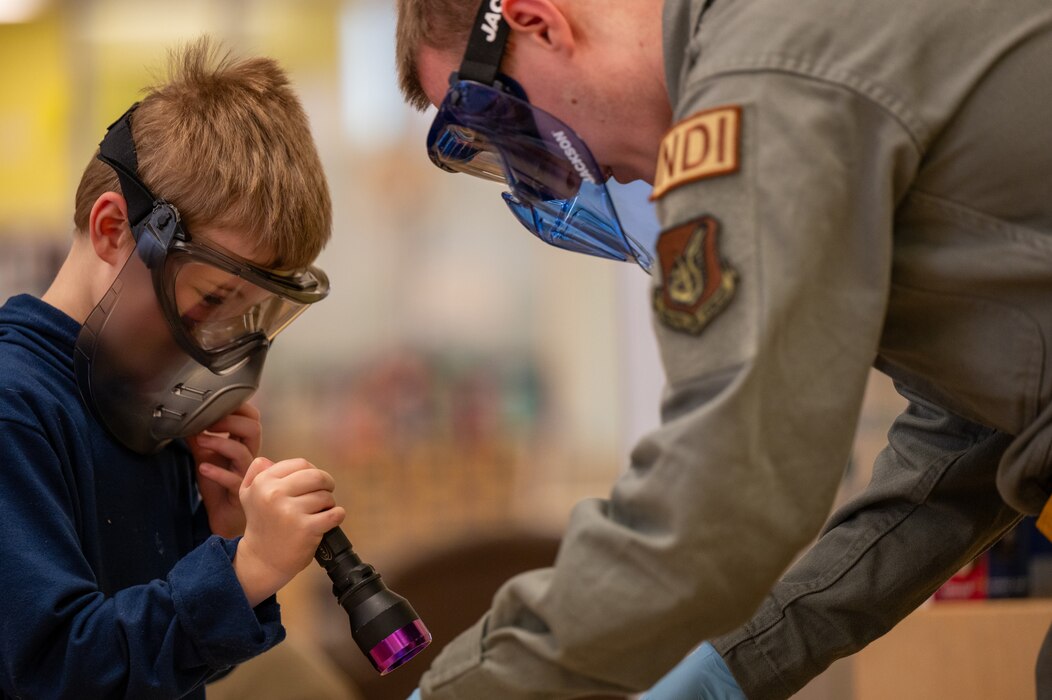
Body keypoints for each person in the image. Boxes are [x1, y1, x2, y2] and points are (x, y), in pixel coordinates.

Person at [393, 0, 1052, 697]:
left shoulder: (763, 78)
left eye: (510, 125)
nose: (563, 177)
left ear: (537, 21)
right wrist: (737, 661)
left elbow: (724, 490)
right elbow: (969, 432)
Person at [0, 38, 345, 698]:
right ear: (112, 231)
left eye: (243, 313)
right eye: (212, 299)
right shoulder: (16, 406)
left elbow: (160, 668)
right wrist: (242, 572)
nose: (215, 338)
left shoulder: (130, 400)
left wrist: (212, 536)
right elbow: (56, 669)